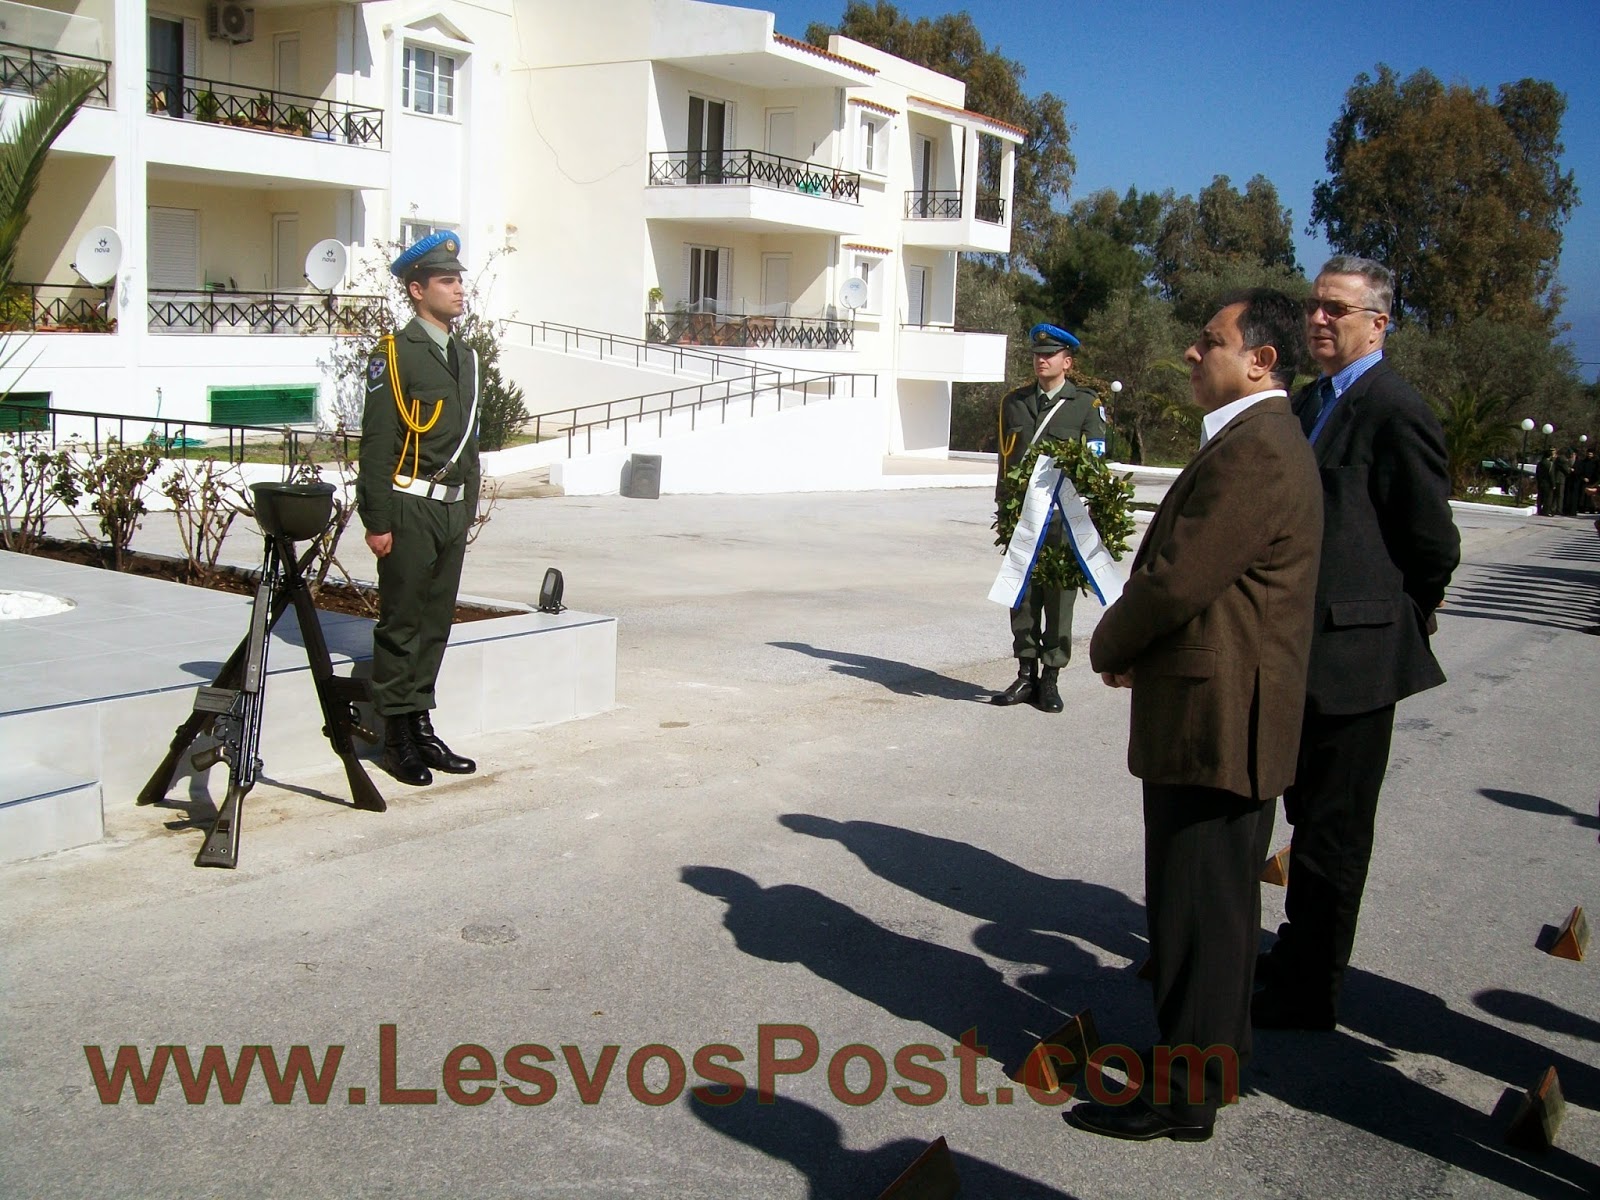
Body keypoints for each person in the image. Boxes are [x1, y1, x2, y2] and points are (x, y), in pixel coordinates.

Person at [1069, 291, 1322, 1143]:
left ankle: (1183, 1096)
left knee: (1196, 916)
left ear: (1261, 361)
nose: (1190, 353)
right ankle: (1212, 1067)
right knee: (1213, 913)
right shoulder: (1255, 440)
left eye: (1209, 341)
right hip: (1216, 712)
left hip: (1219, 725)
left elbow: (1179, 578)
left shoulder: (1257, 450)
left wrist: (1110, 644)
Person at [1253, 256, 1460, 1030]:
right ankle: (1293, 955)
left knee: (1333, 835)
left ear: (1378, 323)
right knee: (1302, 817)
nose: (1317, 320)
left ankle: (1312, 990)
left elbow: (1432, 540)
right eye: (1314, 306)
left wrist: (1396, 611)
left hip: (1355, 662)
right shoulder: (1307, 403)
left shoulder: (1393, 406)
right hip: (1294, 655)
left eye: (1335, 310)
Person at [357, 230, 481, 787]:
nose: (459, 289)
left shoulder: (465, 357)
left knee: (435, 625)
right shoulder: (395, 354)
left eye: (459, 279)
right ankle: (395, 737)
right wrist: (377, 520)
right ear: (416, 289)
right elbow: (378, 442)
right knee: (402, 624)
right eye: (447, 280)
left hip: (451, 513)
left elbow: (469, 444)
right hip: (408, 505)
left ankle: (421, 725)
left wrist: (468, 507)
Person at [991, 323, 1107, 714]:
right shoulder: (1015, 402)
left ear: (1067, 362)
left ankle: (1051, 679)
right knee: (1022, 596)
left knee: (1059, 600)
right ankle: (1026, 674)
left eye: (1051, 355)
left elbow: (1095, 463)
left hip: (1062, 520)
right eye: (1038, 355)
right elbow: (1006, 461)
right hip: (1022, 516)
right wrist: (1003, 508)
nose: (1042, 360)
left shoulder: (1085, 404)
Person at [1550, 448, 1569, 517]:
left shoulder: (1557, 459)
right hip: (1560, 479)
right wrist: (1569, 470)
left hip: (1556, 478)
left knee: (1555, 495)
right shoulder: (1563, 459)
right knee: (1560, 495)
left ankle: (1553, 508)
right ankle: (1559, 509)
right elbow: (1566, 470)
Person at [1535, 449, 1554, 515]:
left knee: (1540, 497)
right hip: (1548, 483)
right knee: (1548, 498)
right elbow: (1551, 475)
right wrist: (1553, 484)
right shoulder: (1550, 464)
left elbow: (1537, 473)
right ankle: (1546, 511)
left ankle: (1539, 510)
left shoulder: (1539, 463)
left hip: (1540, 482)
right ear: (1550, 456)